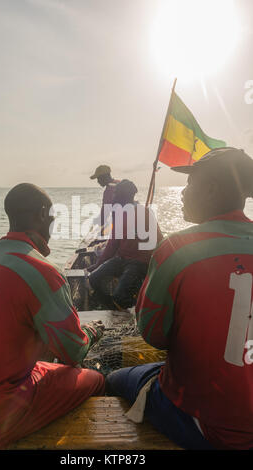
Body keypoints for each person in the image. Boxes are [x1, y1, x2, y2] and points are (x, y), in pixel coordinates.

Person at [105, 147, 253, 450]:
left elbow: (154, 335)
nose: (183, 193)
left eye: (190, 183)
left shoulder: (180, 249)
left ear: (211, 189)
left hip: (205, 426)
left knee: (113, 378)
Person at [0, 183, 105, 450]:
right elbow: (74, 352)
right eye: (52, 219)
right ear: (42, 214)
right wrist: (92, 332)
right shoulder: (43, 270)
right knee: (95, 379)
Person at [88, 179, 161, 311]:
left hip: (139, 264)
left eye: (116, 193)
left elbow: (159, 241)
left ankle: (128, 306)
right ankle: (110, 306)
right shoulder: (121, 214)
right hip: (121, 259)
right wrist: (98, 264)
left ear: (124, 195)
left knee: (120, 296)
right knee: (93, 278)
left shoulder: (145, 213)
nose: (114, 196)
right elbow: (112, 245)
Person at [90, 164, 120, 229]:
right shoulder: (119, 183)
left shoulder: (109, 191)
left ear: (104, 177)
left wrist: (94, 222)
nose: (98, 181)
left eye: (98, 178)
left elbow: (103, 219)